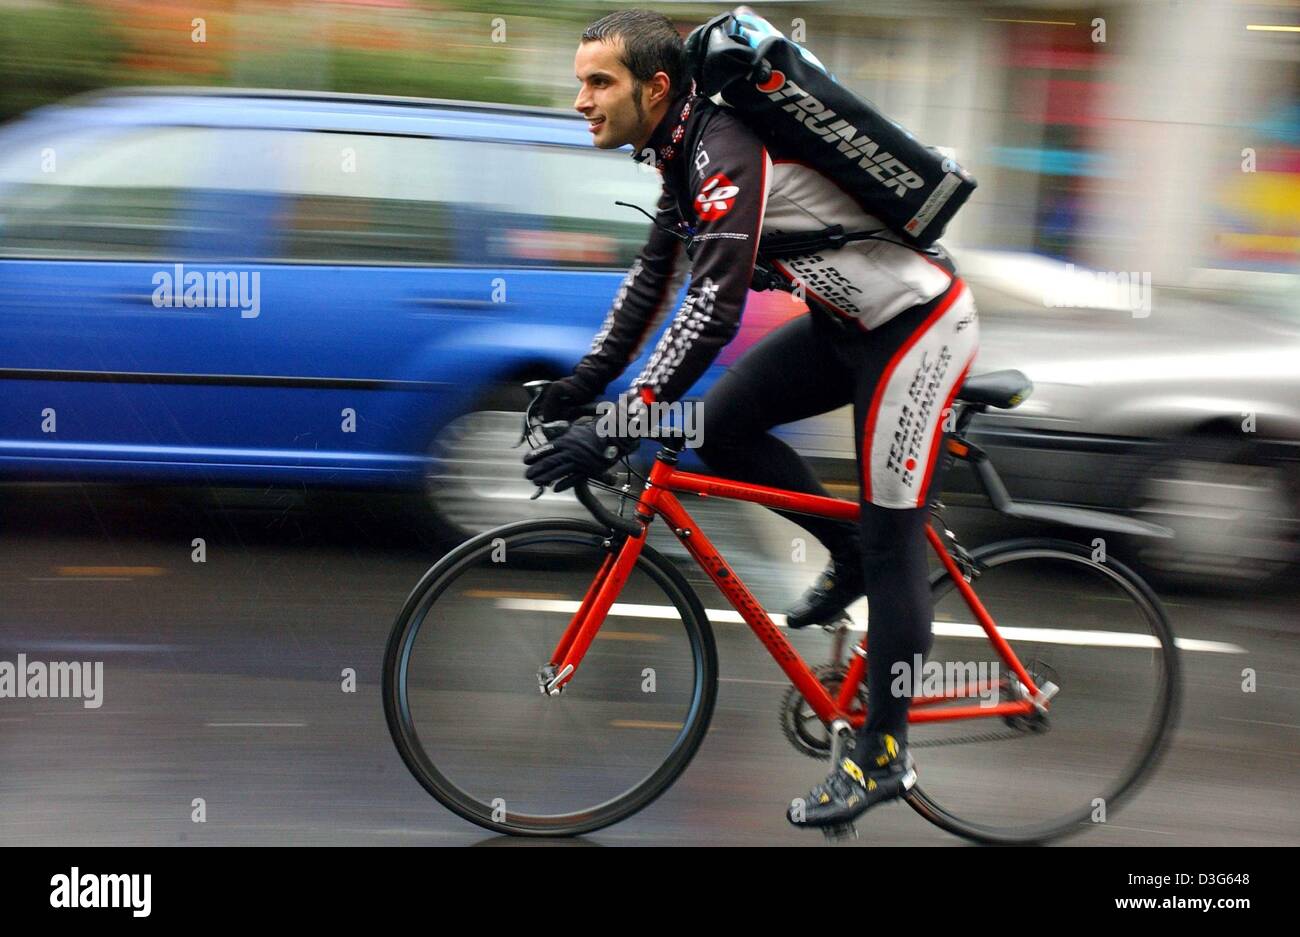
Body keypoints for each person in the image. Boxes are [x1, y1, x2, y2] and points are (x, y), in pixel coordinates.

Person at [522, 9, 979, 830]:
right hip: (847, 328)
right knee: (717, 428)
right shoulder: (678, 153)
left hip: (916, 328)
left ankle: (882, 752)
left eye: (599, 82)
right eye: (578, 81)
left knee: (892, 530)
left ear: (655, 89)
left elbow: (712, 308)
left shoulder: (723, 149)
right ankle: (851, 560)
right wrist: (583, 383)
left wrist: (622, 424)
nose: (581, 99)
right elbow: (651, 280)